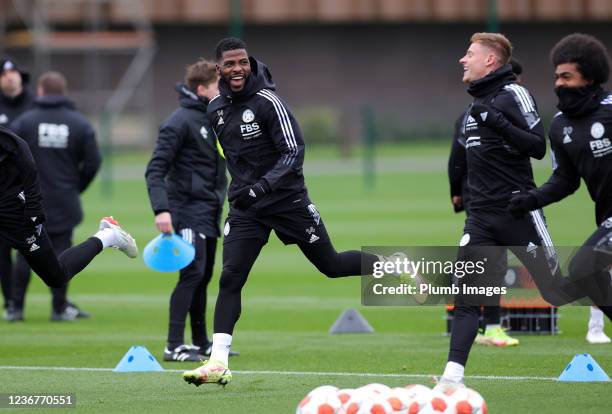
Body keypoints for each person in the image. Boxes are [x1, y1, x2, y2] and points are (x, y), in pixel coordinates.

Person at [182, 37, 383, 386]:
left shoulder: (268, 102)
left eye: (243, 62)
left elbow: (294, 153)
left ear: (250, 63)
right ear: (219, 70)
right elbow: (231, 157)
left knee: (331, 266)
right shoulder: (214, 108)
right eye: (230, 64)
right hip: (247, 209)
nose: (238, 69)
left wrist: (261, 186)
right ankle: (218, 361)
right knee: (231, 277)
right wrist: (238, 192)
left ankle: (391, 264)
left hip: (288, 202)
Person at [437, 32, 574, 391]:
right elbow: (459, 160)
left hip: (518, 214)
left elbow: (537, 146)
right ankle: (451, 380)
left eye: (469, 54)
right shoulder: (472, 109)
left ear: (490, 61)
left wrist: (492, 118)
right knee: (467, 300)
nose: (462, 60)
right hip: (480, 221)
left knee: (557, 291)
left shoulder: (513, 94)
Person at [508, 33, 612, 344]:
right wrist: (530, 200)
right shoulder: (560, 125)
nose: (559, 83)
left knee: (583, 267)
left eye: (567, 76)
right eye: (556, 76)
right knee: (584, 273)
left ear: (590, 77)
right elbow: (565, 181)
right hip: (606, 217)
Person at [145, 59, 231, 362]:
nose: (220, 92)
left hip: (209, 210)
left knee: (204, 275)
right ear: (200, 89)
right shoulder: (178, 121)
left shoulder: (212, 118)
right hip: (185, 209)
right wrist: (162, 210)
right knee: (192, 274)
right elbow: (155, 170)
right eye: (215, 87)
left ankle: (201, 342)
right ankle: (173, 345)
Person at [0, 126, 137, 305]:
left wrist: (33, 203)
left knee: (56, 277)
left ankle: (107, 236)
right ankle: (13, 307)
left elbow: (22, 150)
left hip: (12, 213)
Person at [8, 71, 101, 322]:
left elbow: (8, 159)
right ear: (64, 92)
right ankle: (59, 308)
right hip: (64, 200)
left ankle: (15, 308)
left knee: (24, 254)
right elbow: (93, 162)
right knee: (62, 251)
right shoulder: (79, 123)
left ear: (40, 91)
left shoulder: (24, 122)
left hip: (26, 200)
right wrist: (75, 187)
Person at [447, 58, 525, 348]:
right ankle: (489, 325)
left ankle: (485, 322)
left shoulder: (494, 110)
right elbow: (457, 160)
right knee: (492, 261)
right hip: (485, 198)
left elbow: (455, 161)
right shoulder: (477, 113)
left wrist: (455, 191)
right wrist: (457, 190)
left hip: (492, 196)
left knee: (486, 261)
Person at [0, 58, 35, 319]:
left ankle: (60, 302)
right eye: (4, 73)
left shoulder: (35, 106)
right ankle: (11, 301)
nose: (10, 77)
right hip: (2, 190)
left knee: (32, 246)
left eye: (14, 72)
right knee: (2, 251)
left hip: (30, 187)